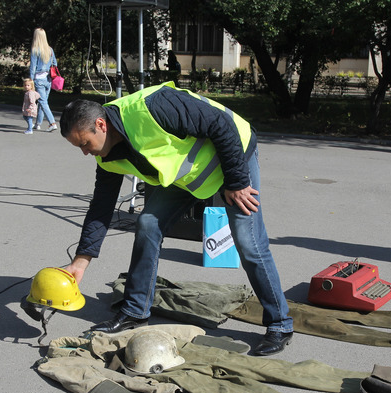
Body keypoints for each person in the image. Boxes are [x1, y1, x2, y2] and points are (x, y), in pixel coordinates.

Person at [57, 82, 294, 356]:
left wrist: (237, 181)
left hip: (233, 156)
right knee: (148, 224)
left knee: (248, 240)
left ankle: (280, 323)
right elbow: (101, 207)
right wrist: (81, 261)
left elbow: (219, 124)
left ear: (101, 124)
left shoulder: (153, 107)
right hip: (188, 178)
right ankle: (135, 311)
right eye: (79, 147)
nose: (85, 152)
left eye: (85, 143)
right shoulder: (106, 156)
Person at [29, 28, 58, 132]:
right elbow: (55, 63)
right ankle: (38, 124)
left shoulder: (35, 50)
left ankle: (52, 123)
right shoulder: (49, 49)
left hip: (38, 79)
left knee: (43, 102)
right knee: (43, 101)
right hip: (48, 79)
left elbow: (32, 67)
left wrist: (30, 80)